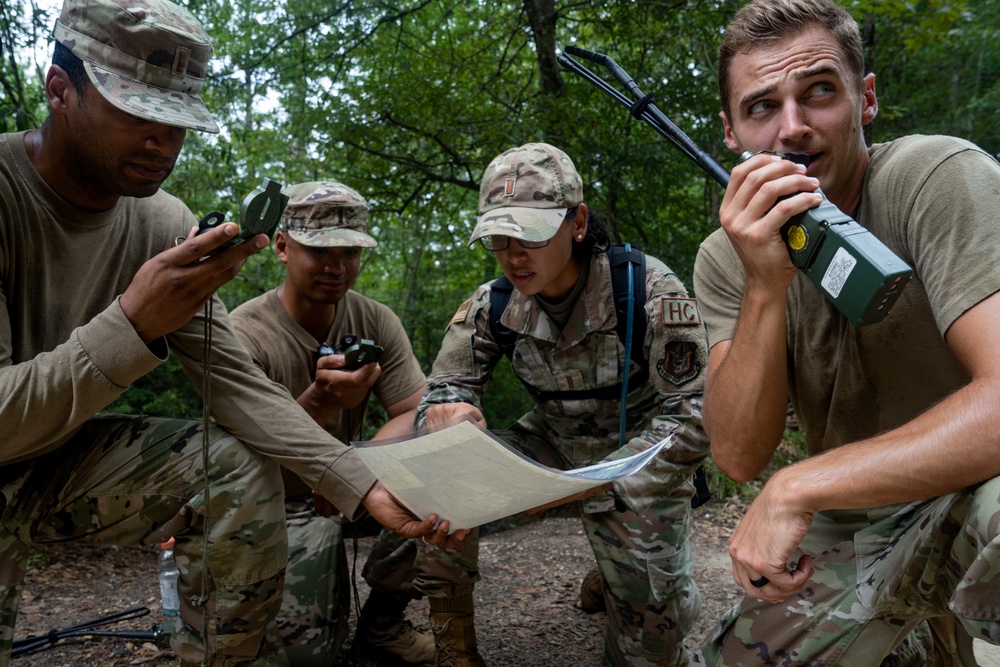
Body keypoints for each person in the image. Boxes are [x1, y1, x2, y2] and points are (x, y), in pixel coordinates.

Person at [0, 1, 463, 666]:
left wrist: (361, 483)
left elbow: (241, 391)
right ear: (59, 90)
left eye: (177, 118)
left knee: (237, 464)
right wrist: (132, 324)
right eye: (138, 112)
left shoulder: (163, 223)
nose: (164, 140)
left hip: (60, 459)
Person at [690, 0, 1000, 664]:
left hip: (976, 487)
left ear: (866, 99)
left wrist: (796, 485)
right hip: (859, 523)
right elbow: (739, 455)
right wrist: (765, 284)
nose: (793, 129)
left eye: (819, 92)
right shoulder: (725, 257)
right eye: (762, 107)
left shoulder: (936, 178)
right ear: (731, 132)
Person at [415, 142, 711, 666]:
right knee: (438, 485)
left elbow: (694, 413)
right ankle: (453, 652)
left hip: (637, 461)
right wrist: (447, 414)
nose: (512, 254)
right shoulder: (493, 304)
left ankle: (617, 577)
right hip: (551, 441)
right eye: (499, 239)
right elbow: (443, 388)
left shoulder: (647, 289)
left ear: (577, 223)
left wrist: (605, 479)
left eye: (529, 234)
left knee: (653, 644)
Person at [230, 182, 434, 665]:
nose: (337, 267)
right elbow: (240, 464)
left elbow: (415, 411)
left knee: (439, 482)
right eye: (319, 250)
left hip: (352, 489)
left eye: (350, 251)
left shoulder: (373, 319)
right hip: (270, 497)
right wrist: (320, 402)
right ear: (282, 247)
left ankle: (383, 624)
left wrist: (354, 470)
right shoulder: (243, 334)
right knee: (308, 655)